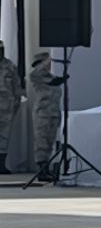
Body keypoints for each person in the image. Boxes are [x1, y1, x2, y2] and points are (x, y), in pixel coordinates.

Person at [29, 52, 65, 181]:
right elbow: (45, 76)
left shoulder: (51, 77)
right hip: (42, 113)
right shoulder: (36, 75)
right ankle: (41, 170)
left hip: (54, 113)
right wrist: (48, 60)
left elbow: (56, 82)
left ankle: (47, 169)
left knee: (50, 142)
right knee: (41, 142)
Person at [0, 40, 23, 174]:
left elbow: (17, 87)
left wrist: (16, 104)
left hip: (6, 108)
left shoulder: (10, 66)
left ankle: (1, 165)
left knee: (4, 138)